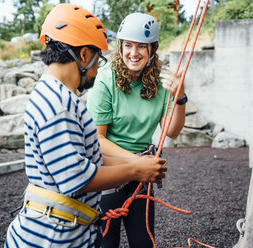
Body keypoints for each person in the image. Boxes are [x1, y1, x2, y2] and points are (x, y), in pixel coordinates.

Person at [4, 5, 166, 248]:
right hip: (53, 239)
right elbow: (78, 178)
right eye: (98, 58)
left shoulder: (56, 95)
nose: (97, 68)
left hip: (60, 232)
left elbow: (86, 158)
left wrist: (138, 163)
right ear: (84, 55)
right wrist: (137, 170)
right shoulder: (59, 105)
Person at [87, 12, 187, 248]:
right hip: (109, 168)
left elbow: (171, 132)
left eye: (141, 46)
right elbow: (97, 139)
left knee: (144, 242)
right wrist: (137, 164)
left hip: (141, 173)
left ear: (152, 48)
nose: (134, 53)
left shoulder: (163, 80)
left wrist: (180, 97)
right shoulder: (105, 79)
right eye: (128, 45)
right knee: (106, 244)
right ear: (120, 46)